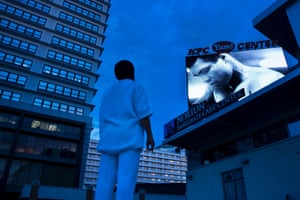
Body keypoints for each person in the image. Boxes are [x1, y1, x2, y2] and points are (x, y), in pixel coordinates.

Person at [95, 60, 155, 200]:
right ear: (132, 72)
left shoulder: (107, 92)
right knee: (126, 180)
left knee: (104, 181)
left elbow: (102, 118)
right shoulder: (135, 88)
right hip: (130, 139)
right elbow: (144, 114)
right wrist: (150, 137)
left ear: (117, 74)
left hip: (109, 140)